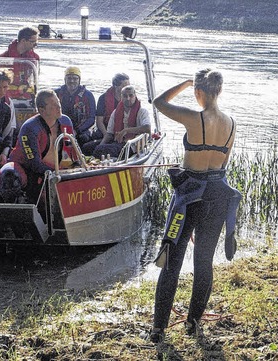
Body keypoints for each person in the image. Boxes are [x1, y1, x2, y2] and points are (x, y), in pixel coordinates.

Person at [149, 69, 241, 345]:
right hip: (216, 196)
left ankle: (159, 329)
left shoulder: (194, 117)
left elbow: (159, 102)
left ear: (198, 92)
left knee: (171, 262)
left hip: (189, 198)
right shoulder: (231, 123)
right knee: (204, 262)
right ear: (220, 91)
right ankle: (192, 323)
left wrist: (185, 83)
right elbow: (222, 167)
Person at [0, 89, 75, 203]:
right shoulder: (30, 128)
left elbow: (73, 153)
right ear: (42, 110)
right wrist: (61, 173)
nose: (58, 107)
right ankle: (14, 207)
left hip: (55, 170)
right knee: (10, 176)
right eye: (53, 105)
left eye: (58, 102)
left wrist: (76, 168)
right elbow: (34, 164)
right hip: (26, 168)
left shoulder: (66, 122)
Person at [90, 85, 151, 158]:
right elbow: (109, 134)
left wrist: (126, 130)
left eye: (131, 95)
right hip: (117, 141)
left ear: (135, 96)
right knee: (87, 147)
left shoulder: (142, 111)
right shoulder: (116, 112)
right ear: (121, 97)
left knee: (102, 150)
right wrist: (100, 145)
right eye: (125, 96)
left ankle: (98, 163)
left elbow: (147, 128)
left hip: (133, 145)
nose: (128, 98)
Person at [54, 66, 96, 147]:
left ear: (79, 80)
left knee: (84, 138)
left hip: (80, 129)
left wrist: (76, 131)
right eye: (69, 78)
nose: (72, 81)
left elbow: (91, 118)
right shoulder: (56, 93)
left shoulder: (88, 95)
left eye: (75, 78)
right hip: (59, 126)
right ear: (65, 79)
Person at [88, 73, 130, 146]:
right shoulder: (103, 98)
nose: (127, 88)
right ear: (115, 85)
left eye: (128, 86)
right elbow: (99, 121)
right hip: (106, 128)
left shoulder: (130, 99)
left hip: (124, 128)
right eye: (124, 86)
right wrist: (106, 134)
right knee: (91, 141)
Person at [0, 26, 40, 100]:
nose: (36, 45)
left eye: (36, 42)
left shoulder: (35, 58)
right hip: (6, 97)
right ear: (23, 41)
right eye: (33, 42)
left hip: (26, 97)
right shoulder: (3, 58)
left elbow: (35, 81)